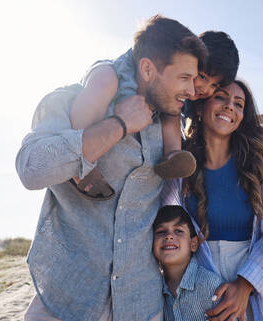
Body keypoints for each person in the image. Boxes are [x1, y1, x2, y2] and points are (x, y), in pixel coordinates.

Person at [16, 15, 207, 321]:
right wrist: (118, 125)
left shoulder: (171, 124)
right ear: (147, 69)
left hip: (140, 308)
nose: (191, 88)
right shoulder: (71, 100)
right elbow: (31, 170)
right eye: (184, 77)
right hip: (66, 302)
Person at [162, 80, 263, 321]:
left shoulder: (259, 160)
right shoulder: (181, 162)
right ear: (200, 107)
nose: (229, 107)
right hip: (200, 280)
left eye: (238, 104)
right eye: (221, 97)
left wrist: (246, 284)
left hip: (255, 278)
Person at [68, 31, 240, 199]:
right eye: (202, 76)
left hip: (158, 99)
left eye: (214, 86)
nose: (205, 88)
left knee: (172, 111)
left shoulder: (193, 98)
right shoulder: (125, 75)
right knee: (101, 93)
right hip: (121, 78)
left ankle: (173, 155)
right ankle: (81, 166)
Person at [152, 205, 240, 321]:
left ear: (193, 244)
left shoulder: (208, 284)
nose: (169, 236)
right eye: (161, 232)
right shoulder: (155, 288)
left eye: (178, 231)